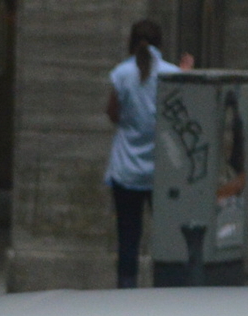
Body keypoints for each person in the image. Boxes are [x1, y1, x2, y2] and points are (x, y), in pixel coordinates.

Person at [104, 20, 166, 287]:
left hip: (126, 168)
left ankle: (126, 293)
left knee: (128, 236)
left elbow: (112, 113)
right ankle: (165, 288)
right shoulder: (171, 73)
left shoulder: (121, 74)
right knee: (167, 236)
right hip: (161, 170)